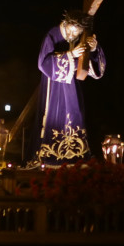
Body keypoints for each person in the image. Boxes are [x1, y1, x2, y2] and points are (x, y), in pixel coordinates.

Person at [36, 10, 106, 164]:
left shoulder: (82, 36)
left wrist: (94, 49)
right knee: (55, 116)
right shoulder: (53, 35)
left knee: (75, 114)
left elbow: (93, 65)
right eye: (72, 29)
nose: (74, 33)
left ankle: (77, 155)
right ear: (66, 23)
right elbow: (43, 62)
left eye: (78, 31)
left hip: (73, 86)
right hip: (54, 85)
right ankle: (51, 157)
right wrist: (70, 54)